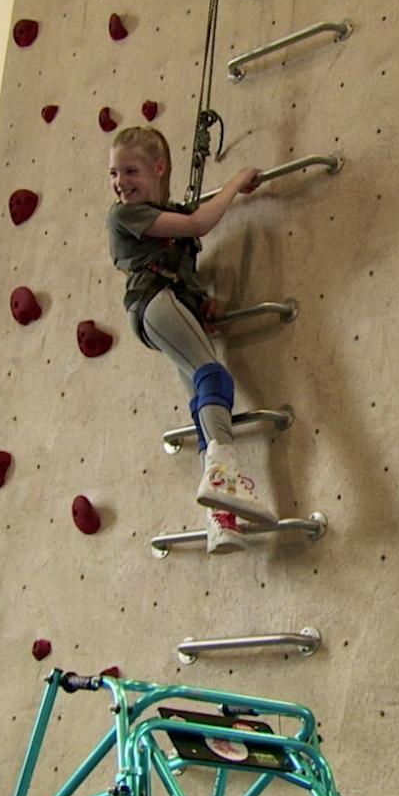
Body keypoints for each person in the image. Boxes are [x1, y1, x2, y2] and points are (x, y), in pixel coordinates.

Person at [105, 126, 275, 554]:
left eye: (131, 171)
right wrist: (236, 182)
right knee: (214, 374)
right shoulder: (124, 215)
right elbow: (199, 223)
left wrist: (202, 304)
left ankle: (221, 519)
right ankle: (223, 478)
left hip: (167, 305)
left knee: (204, 403)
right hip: (153, 303)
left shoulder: (163, 215)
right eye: (114, 173)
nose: (120, 182)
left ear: (158, 169)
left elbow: (183, 268)